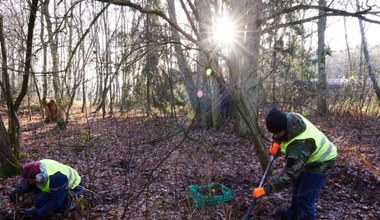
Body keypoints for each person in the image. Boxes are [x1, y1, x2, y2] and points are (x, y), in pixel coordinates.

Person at [252, 108, 337, 220]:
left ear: (285, 128)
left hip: (322, 162)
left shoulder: (300, 144)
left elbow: (289, 176)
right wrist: (276, 143)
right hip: (309, 157)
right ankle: (293, 214)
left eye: (277, 133)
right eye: (273, 134)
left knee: (304, 200)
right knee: (297, 191)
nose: (275, 136)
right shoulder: (288, 118)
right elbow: (280, 133)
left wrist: (265, 190)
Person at [9, 159, 84, 218]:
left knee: (56, 206)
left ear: (39, 177)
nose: (30, 182)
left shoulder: (57, 177)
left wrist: (38, 213)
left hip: (74, 187)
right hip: (55, 186)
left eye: (31, 180)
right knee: (38, 202)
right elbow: (28, 183)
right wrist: (17, 191)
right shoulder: (36, 168)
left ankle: (70, 203)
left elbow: (56, 202)